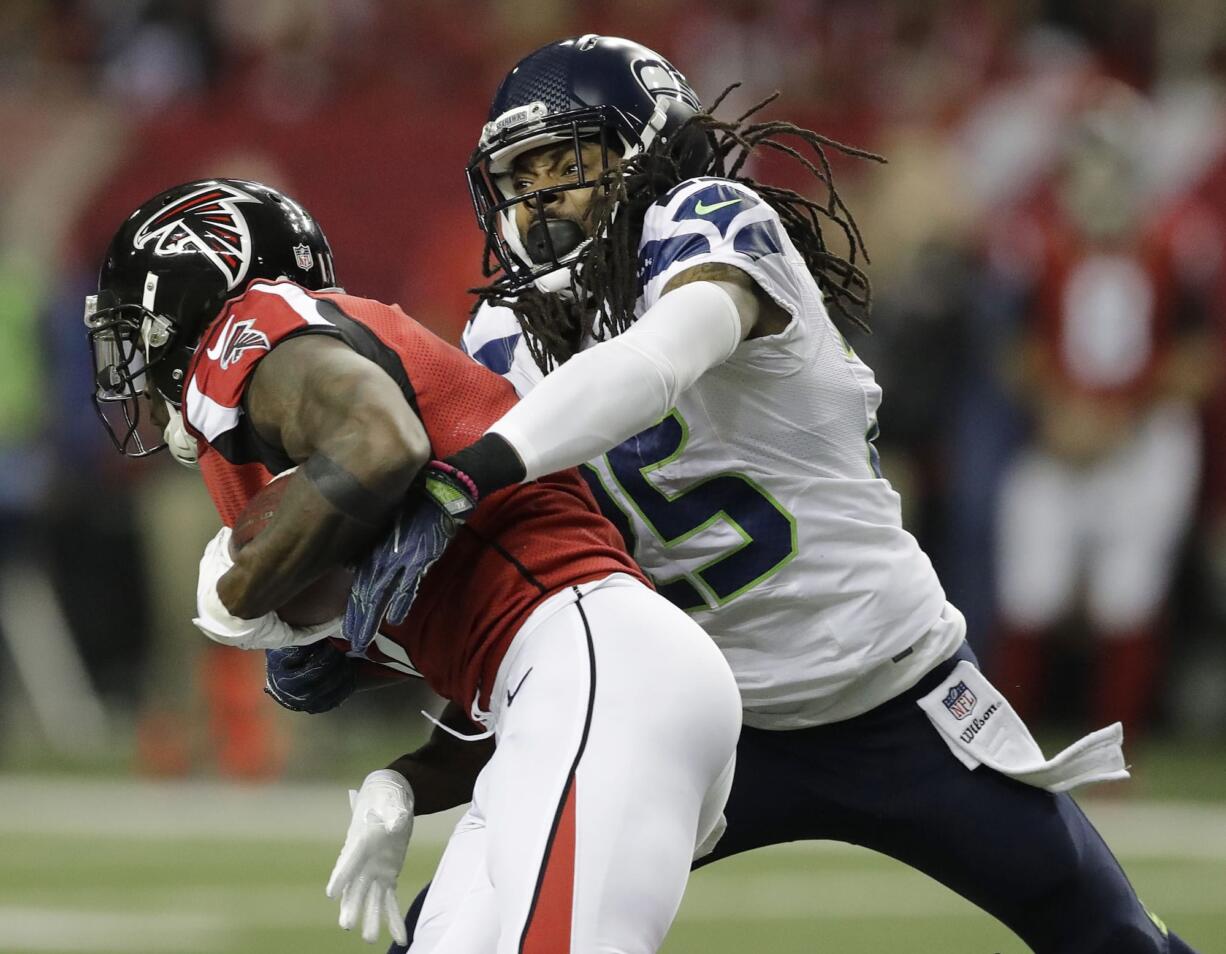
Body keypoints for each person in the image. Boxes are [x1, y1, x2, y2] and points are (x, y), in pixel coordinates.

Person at [350, 36, 1194, 953]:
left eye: (572, 161)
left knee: (1112, 939)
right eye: (523, 172)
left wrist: (471, 468)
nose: (544, 195)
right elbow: (542, 612)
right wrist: (406, 768)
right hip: (696, 719)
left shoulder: (712, 223)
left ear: (649, 153)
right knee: (461, 934)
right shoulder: (503, 336)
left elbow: (659, 359)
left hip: (893, 690)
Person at [84, 177, 741, 953]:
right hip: (562, 693)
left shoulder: (253, 325)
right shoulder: (294, 411)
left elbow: (381, 445)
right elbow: (508, 666)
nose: (133, 364)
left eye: (139, 327)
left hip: (603, 666)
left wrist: (239, 585)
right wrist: (400, 778)